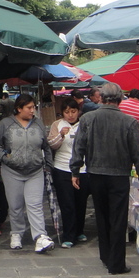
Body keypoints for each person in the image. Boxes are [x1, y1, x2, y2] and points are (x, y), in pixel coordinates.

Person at [71, 82, 139, 275]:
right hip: (119, 175)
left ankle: (106, 256)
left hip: (95, 174)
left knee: (102, 215)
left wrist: (75, 170)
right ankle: (116, 263)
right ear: (120, 99)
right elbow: (138, 152)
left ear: (101, 98)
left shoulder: (88, 119)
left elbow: (78, 146)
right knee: (118, 218)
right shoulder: (129, 122)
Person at [0, 94, 54, 253]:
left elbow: (45, 146)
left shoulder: (38, 123)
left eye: (34, 107)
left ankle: (40, 236)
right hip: (12, 171)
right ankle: (16, 233)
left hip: (35, 171)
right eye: (29, 108)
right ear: (19, 108)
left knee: (35, 204)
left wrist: (48, 165)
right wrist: (4, 158)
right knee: (15, 205)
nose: (33, 111)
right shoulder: (5, 124)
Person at [48, 99, 87, 247]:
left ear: (78, 111)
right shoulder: (57, 125)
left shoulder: (84, 124)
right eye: (67, 112)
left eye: (73, 111)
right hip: (62, 168)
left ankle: (79, 230)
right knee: (67, 203)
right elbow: (52, 144)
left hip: (82, 169)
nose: (70, 115)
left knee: (80, 202)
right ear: (62, 113)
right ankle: (69, 235)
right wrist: (60, 135)